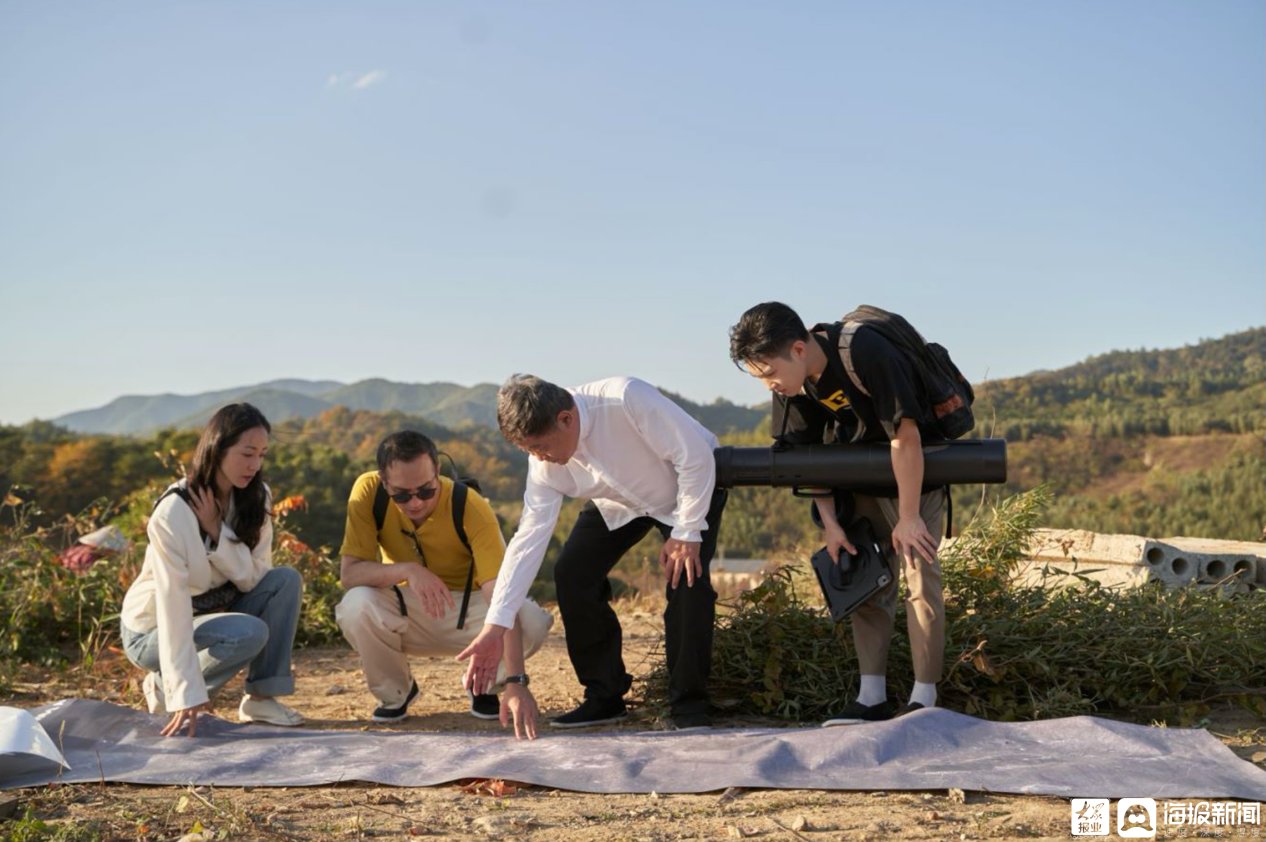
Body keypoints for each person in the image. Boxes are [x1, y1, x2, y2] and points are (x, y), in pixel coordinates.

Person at [458, 375, 728, 732]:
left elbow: (694, 457)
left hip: (688, 488)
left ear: (566, 418)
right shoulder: (542, 462)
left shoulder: (625, 399)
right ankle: (605, 696)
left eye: (540, 446)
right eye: (528, 451)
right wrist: (497, 624)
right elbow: (529, 539)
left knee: (686, 579)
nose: (538, 457)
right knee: (572, 572)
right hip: (618, 502)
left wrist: (687, 531)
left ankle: (689, 704)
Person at [728, 302, 947, 725]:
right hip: (855, 483)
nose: (768, 385)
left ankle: (925, 700)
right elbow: (806, 456)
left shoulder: (864, 350)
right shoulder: (792, 387)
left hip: (912, 478)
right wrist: (830, 525)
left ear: (797, 349)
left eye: (769, 373)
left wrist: (908, 516)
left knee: (920, 579)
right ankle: (871, 698)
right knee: (864, 578)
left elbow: (906, 434)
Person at [335, 430, 553, 736]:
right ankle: (396, 692)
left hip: (469, 612)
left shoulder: (470, 505)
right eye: (401, 495)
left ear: (438, 472)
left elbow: (499, 595)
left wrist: (517, 682)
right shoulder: (368, 492)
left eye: (426, 491)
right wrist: (410, 571)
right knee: (355, 605)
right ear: (384, 482)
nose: (414, 503)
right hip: (407, 608)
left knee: (530, 619)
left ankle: (485, 684)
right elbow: (350, 574)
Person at [121, 403, 304, 737]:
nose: (255, 465)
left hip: (214, 614)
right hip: (152, 631)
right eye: (247, 453)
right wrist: (185, 691)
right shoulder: (174, 512)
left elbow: (255, 576)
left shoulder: (256, 497)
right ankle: (166, 686)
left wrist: (220, 533)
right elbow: (171, 604)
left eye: (262, 455)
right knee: (248, 632)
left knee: (285, 581)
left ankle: (260, 698)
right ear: (217, 448)